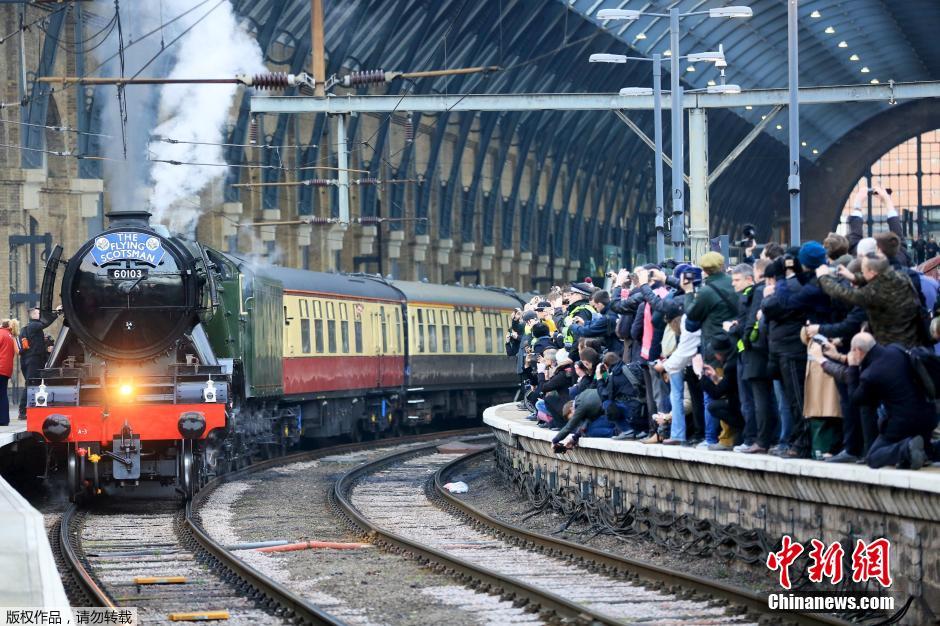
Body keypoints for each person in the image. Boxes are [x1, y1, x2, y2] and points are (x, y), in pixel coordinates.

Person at [844, 333, 938, 469]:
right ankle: (929, 450)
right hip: (928, 416)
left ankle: (906, 448)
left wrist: (852, 368)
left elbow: (856, 400)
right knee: (925, 449)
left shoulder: (870, 374)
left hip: (903, 424)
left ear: (858, 351)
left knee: (873, 457)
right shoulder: (896, 349)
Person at [817, 253, 925, 348]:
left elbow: (844, 293)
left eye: (863, 269)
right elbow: (875, 277)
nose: (862, 271)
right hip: (913, 339)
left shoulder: (874, 292)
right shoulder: (901, 276)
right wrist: (853, 277)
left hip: (892, 345)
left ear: (872, 272)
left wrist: (823, 277)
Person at [19, 307, 55, 419]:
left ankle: (27, 409)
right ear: (33, 315)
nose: (40, 314)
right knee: (31, 383)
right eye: (39, 313)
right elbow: (46, 323)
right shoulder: (34, 325)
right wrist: (56, 313)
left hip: (31, 359)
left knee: (33, 383)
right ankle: (23, 411)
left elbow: (35, 343)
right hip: (33, 360)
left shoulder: (30, 328)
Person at [0, 321, 16, 426]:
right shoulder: (10, 336)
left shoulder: (1, 333)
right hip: (6, 369)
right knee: (3, 394)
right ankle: (4, 420)